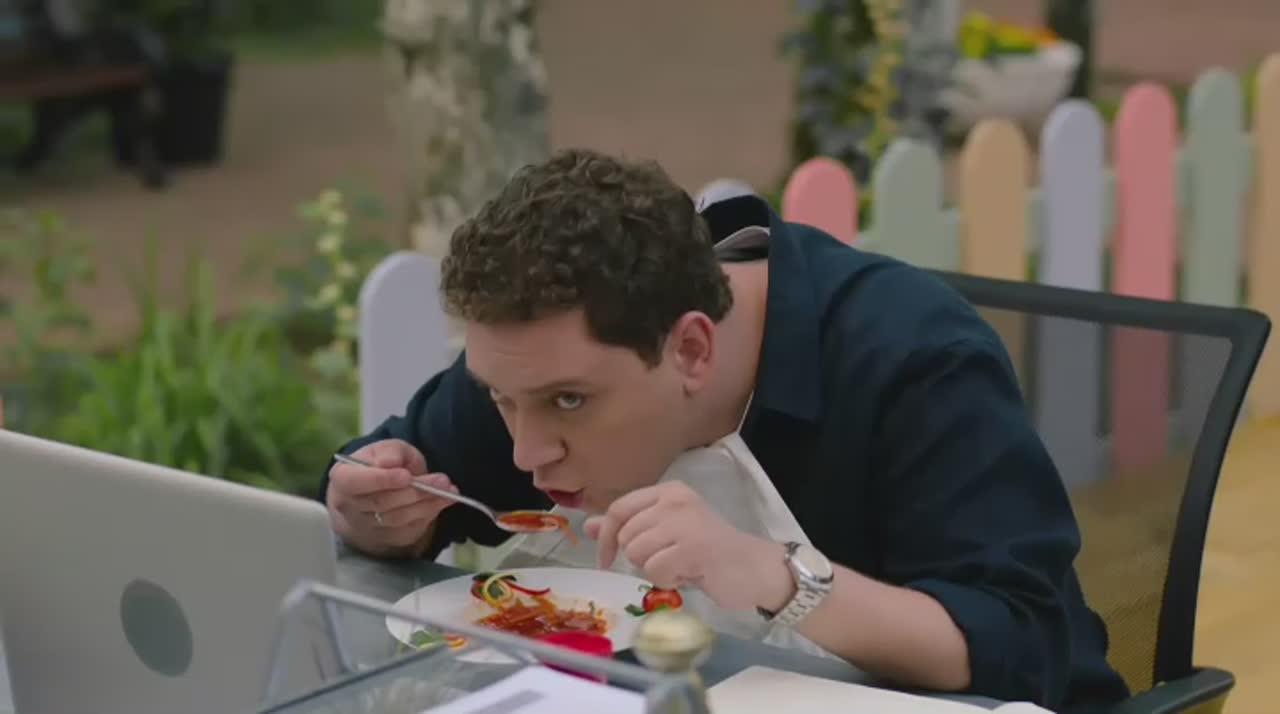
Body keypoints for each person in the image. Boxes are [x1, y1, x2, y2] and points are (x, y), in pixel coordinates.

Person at [319, 148, 1129, 713]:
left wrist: (775, 577)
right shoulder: (542, 359)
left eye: (569, 404)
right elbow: (395, 481)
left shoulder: (915, 358)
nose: (526, 451)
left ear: (692, 350)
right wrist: (375, 509)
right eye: (499, 398)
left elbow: (1019, 644)